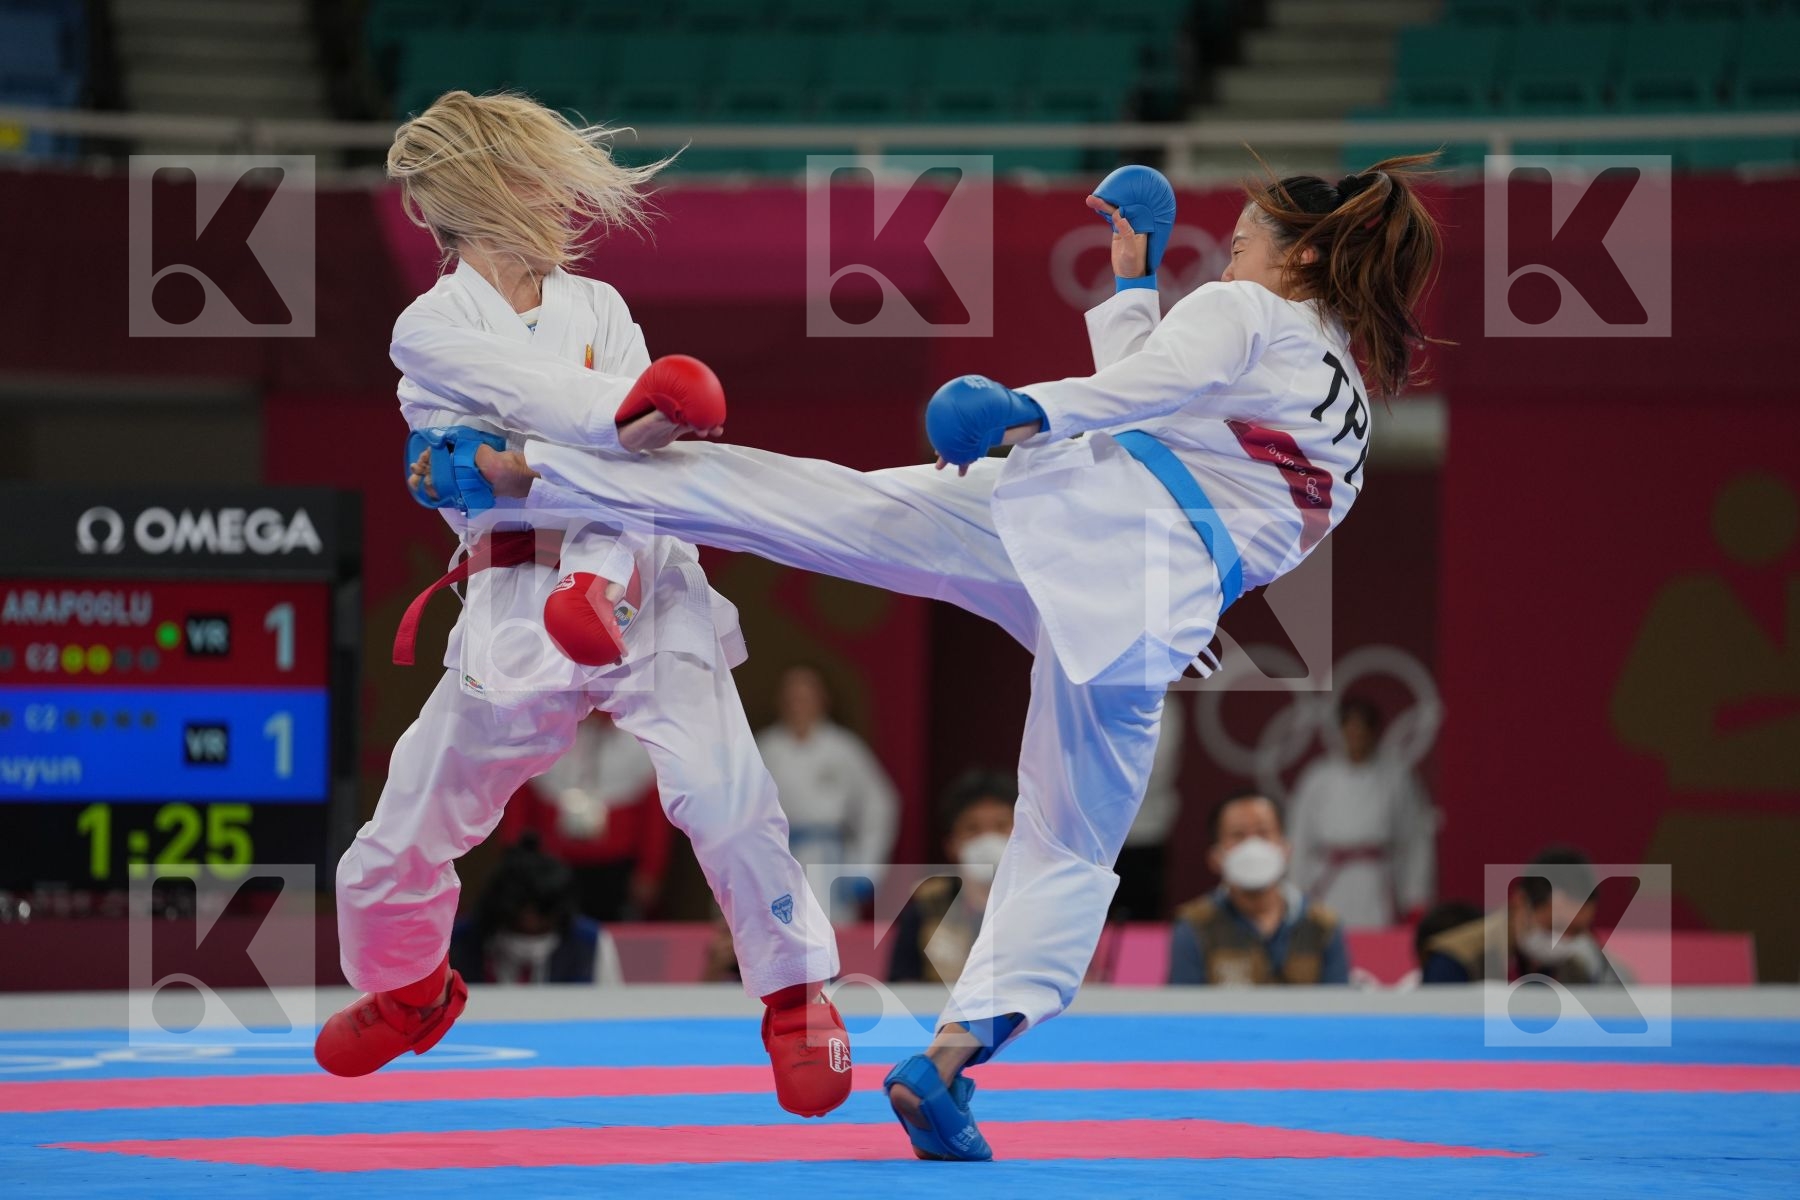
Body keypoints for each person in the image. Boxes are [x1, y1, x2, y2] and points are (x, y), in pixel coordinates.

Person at [421, 152, 1441, 1160]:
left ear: (1303, 252)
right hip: (1151, 615)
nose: (1229, 255)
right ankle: (949, 1062)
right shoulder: (1346, 410)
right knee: (1071, 852)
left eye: (1247, 237)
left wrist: (1025, 408)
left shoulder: (1246, 314)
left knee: (798, 503)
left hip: (1064, 524)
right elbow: (1169, 412)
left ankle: (520, 474)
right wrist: (1131, 285)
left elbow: (1150, 388)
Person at [315, 91, 852, 1121]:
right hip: (518, 591)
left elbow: (590, 456)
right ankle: (412, 989)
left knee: (724, 789)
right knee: (405, 832)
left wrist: (556, 456)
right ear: (465, 203)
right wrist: (617, 422)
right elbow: (490, 458)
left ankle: (795, 995)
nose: (560, 198)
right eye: (533, 177)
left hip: (642, 569)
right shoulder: (430, 327)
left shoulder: (597, 309)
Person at [500, 710, 672, 922]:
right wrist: (517, 867)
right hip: (550, 867)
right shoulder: (539, 736)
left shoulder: (640, 741)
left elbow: (655, 818)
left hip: (617, 871)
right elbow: (518, 811)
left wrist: (650, 870)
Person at [1168, 789, 1349, 985]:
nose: (1252, 846)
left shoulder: (1323, 925)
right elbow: (1183, 1010)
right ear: (1215, 857)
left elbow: (1339, 1009)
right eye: (1238, 835)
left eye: (1263, 833)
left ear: (1286, 849)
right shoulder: (1195, 926)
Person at [1286, 695, 1438, 928]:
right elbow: (1299, 838)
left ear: (1374, 732)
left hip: (1377, 883)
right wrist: (1296, 891)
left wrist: (1416, 897)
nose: (1356, 735)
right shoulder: (1318, 777)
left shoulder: (1397, 778)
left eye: (1362, 727)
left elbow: (1415, 840)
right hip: (1328, 881)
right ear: (1341, 730)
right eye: (1350, 727)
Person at [756, 665, 899, 904]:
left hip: (829, 861)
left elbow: (879, 805)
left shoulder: (843, 748)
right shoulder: (765, 749)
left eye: (806, 697)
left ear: (823, 699)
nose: (798, 704)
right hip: (776, 859)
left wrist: (867, 866)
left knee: (833, 931)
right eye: (792, 697)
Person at [1420, 846, 1624, 985]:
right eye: (1556, 926)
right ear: (1520, 903)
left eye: (1577, 930)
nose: (1566, 940)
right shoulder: (1457, 961)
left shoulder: (1580, 966)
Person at [889, 771, 1018, 985]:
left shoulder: (1043, 904)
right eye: (972, 829)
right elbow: (901, 986)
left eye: (1001, 826)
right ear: (951, 845)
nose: (987, 839)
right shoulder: (925, 907)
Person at [449, 834, 624, 985]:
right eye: (519, 921)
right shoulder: (457, 942)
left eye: (542, 916)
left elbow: (612, 1010)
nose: (530, 922)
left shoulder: (590, 942)